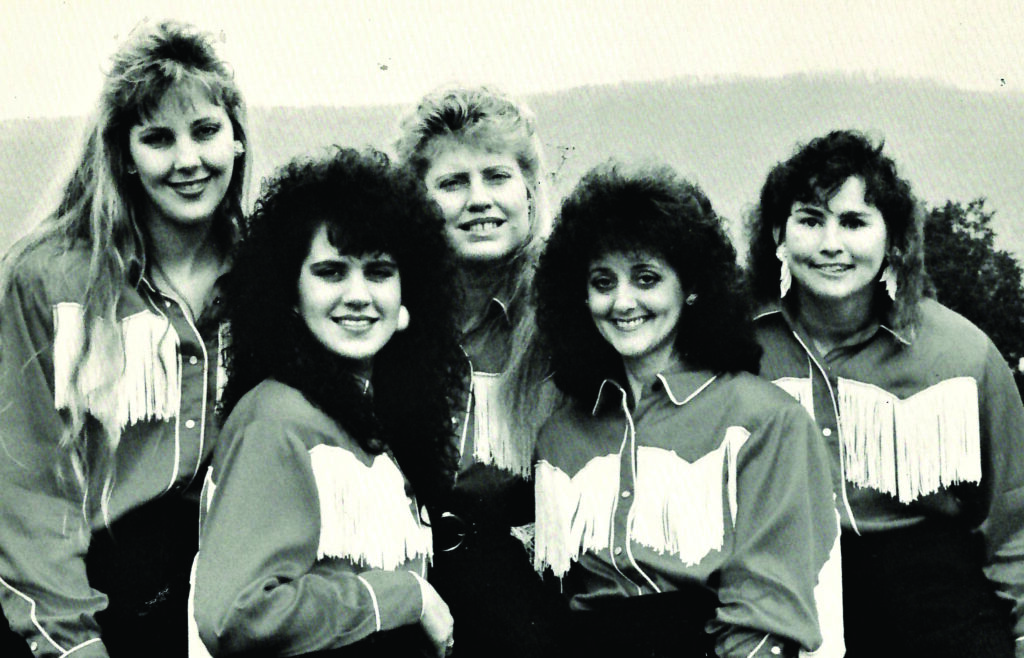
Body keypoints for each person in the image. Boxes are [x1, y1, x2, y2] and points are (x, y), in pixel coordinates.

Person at [0, 20, 249, 658]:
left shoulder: (269, 277)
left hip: (226, 594)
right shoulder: (49, 279)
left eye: (206, 131)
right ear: (124, 156)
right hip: (84, 594)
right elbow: (27, 492)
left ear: (238, 138)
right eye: (158, 138)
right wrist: (72, 644)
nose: (188, 160)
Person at [532, 163, 841, 658]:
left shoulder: (765, 420)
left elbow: (767, 615)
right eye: (603, 281)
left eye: (646, 278)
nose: (622, 301)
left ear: (691, 286)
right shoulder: (559, 436)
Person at [746, 129, 1024, 657]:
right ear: (778, 237)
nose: (832, 244)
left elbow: (1015, 519)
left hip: (937, 610)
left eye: (853, 222)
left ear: (893, 240)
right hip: (781, 605)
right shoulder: (736, 352)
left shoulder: (962, 356)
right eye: (810, 220)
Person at [191, 148, 464, 658]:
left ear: (410, 293)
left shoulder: (374, 415)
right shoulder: (274, 419)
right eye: (332, 272)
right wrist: (405, 596)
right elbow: (234, 614)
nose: (358, 294)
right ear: (289, 294)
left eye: (379, 272)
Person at [393, 85, 566, 656]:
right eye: (451, 183)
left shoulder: (569, 318)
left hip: (529, 603)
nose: (478, 200)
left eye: (496, 177)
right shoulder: (385, 317)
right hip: (402, 591)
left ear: (530, 191)